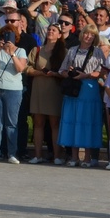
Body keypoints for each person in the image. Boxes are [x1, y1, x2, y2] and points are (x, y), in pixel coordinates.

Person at [57, 23, 105, 167]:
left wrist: (86, 75)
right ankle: (74, 156)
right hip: (74, 89)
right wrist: (70, 74)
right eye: (86, 33)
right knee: (73, 120)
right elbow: (62, 70)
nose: (88, 36)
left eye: (92, 35)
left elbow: (102, 72)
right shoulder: (72, 50)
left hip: (89, 89)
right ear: (81, 34)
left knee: (87, 121)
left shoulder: (97, 52)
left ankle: (88, 157)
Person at [0, 22, 28, 163]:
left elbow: (20, 68)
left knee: (11, 123)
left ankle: (12, 154)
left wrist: (12, 53)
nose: (7, 38)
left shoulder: (21, 51)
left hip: (13, 90)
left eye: (10, 35)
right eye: (4, 35)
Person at [26, 22, 65, 164]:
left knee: (55, 123)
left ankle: (57, 156)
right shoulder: (37, 50)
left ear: (60, 35)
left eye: (54, 30)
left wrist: (54, 73)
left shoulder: (62, 51)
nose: (50, 32)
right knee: (38, 122)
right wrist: (39, 72)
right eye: (49, 29)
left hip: (54, 89)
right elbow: (27, 68)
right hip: (38, 88)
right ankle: (37, 155)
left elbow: (65, 72)